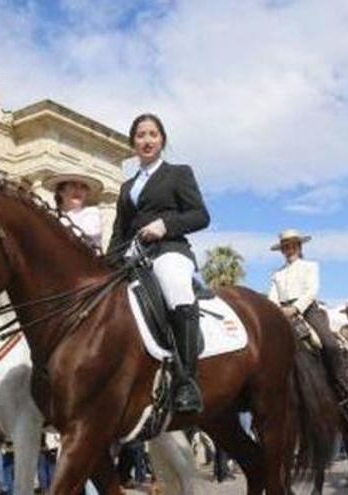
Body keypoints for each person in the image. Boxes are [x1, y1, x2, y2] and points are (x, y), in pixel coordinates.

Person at [107, 113, 210, 413]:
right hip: (134, 256)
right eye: (140, 135)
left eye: (152, 134)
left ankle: (187, 381)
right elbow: (118, 232)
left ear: (162, 139)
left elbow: (200, 216)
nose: (147, 140)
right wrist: (107, 264)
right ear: (133, 143)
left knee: (174, 285)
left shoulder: (178, 173)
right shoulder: (127, 187)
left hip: (169, 249)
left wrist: (165, 225)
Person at [268, 229, 348, 424]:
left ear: (299, 246)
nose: (289, 249)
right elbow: (272, 295)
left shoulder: (310, 266)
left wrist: (295, 308)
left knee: (329, 343)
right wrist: (276, 310)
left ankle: (345, 393)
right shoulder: (277, 274)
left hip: (307, 310)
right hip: (283, 311)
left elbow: (312, 290)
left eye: (293, 245)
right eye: (285, 247)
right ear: (282, 250)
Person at [43, 173, 104, 249]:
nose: (78, 190)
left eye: (83, 187)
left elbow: (86, 239)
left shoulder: (92, 213)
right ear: (61, 191)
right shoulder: (50, 215)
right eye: (73, 185)